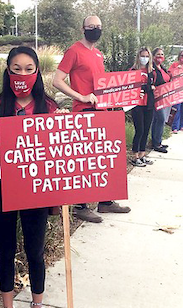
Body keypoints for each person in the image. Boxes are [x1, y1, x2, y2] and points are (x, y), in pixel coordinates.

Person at [0, 46, 60, 308]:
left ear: (37, 72)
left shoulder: (49, 107)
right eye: (16, 69)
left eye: (29, 69)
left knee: (35, 250)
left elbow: (59, 148)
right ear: (8, 72)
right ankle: (8, 304)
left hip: (36, 187)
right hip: (3, 184)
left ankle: (37, 302)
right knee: (6, 250)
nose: (22, 74)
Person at [52, 15, 131, 223]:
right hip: (83, 111)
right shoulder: (74, 51)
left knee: (102, 156)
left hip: (101, 111)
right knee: (83, 159)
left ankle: (105, 201)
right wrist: (81, 96)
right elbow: (56, 80)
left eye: (99, 27)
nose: (96, 29)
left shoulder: (98, 54)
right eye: (91, 26)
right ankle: (80, 206)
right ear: (83, 29)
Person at [129, 47, 156, 166]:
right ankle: (135, 156)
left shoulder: (152, 71)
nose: (144, 58)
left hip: (148, 103)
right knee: (139, 130)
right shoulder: (133, 70)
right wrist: (148, 88)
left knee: (146, 130)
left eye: (146, 56)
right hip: (137, 104)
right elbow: (130, 86)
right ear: (138, 57)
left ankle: (142, 154)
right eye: (142, 56)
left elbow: (158, 83)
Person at [149, 47, 171, 153]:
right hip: (156, 98)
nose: (160, 56)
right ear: (153, 57)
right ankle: (156, 143)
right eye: (158, 54)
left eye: (162, 54)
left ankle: (157, 141)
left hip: (164, 98)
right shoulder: (152, 69)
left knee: (158, 120)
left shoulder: (162, 68)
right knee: (161, 119)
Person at [168, 50, 183, 133]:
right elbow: (169, 74)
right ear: (179, 56)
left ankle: (181, 125)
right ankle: (175, 127)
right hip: (177, 89)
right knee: (176, 109)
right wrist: (175, 69)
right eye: (181, 55)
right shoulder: (174, 65)